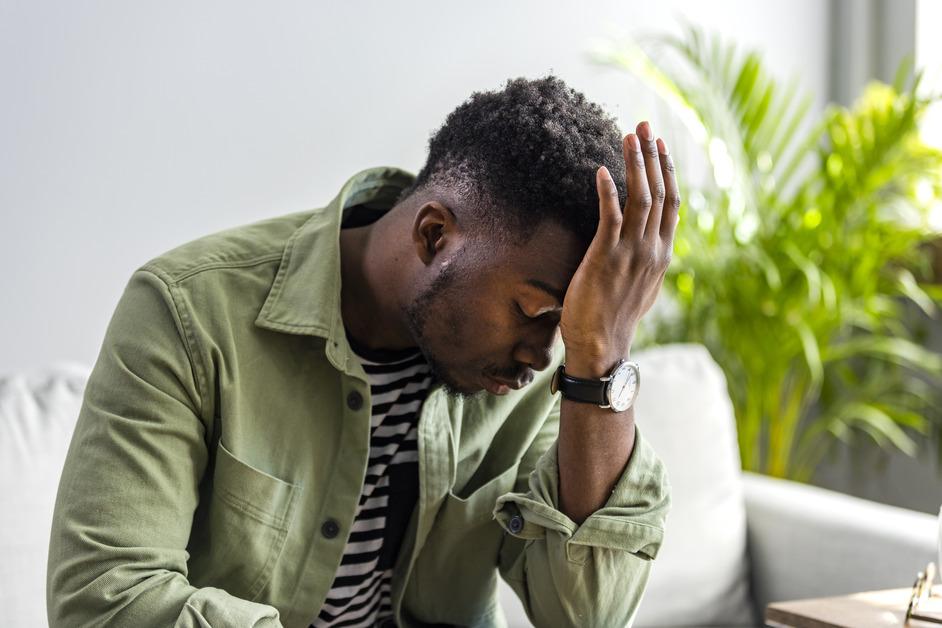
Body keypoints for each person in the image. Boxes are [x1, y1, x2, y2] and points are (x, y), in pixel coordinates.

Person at [47, 75, 677, 628]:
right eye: (535, 312)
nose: (543, 356)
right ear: (436, 236)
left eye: (568, 328)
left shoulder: (552, 376)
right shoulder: (189, 313)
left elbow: (586, 617)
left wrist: (602, 361)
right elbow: (103, 600)